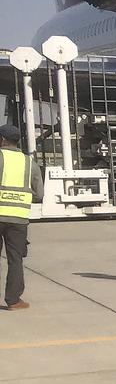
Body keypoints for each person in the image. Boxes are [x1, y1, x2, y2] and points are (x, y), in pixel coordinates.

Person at [0, 125, 44, 310]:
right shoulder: (29, 162)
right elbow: (39, 194)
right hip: (18, 218)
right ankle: (13, 300)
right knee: (15, 259)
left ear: (2, 140)